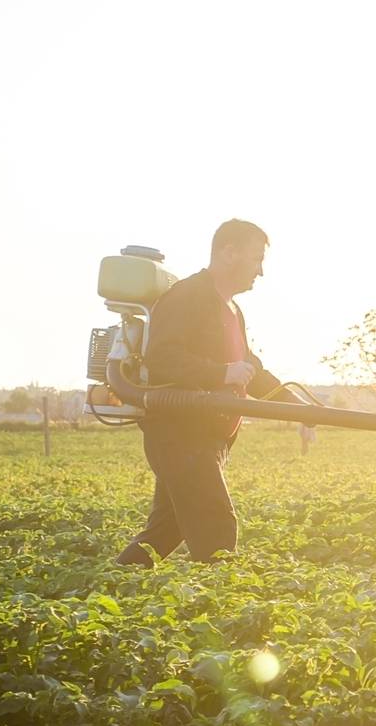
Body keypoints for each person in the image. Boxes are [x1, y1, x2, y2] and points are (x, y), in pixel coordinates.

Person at [116, 219, 307, 566]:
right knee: (217, 526)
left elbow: (251, 370)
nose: (260, 272)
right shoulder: (186, 297)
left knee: (164, 531)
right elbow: (162, 358)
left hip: (209, 441)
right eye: (256, 260)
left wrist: (302, 409)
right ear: (228, 253)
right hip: (180, 437)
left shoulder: (233, 310)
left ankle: (109, 585)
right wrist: (220, 372)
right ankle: (224, 609)